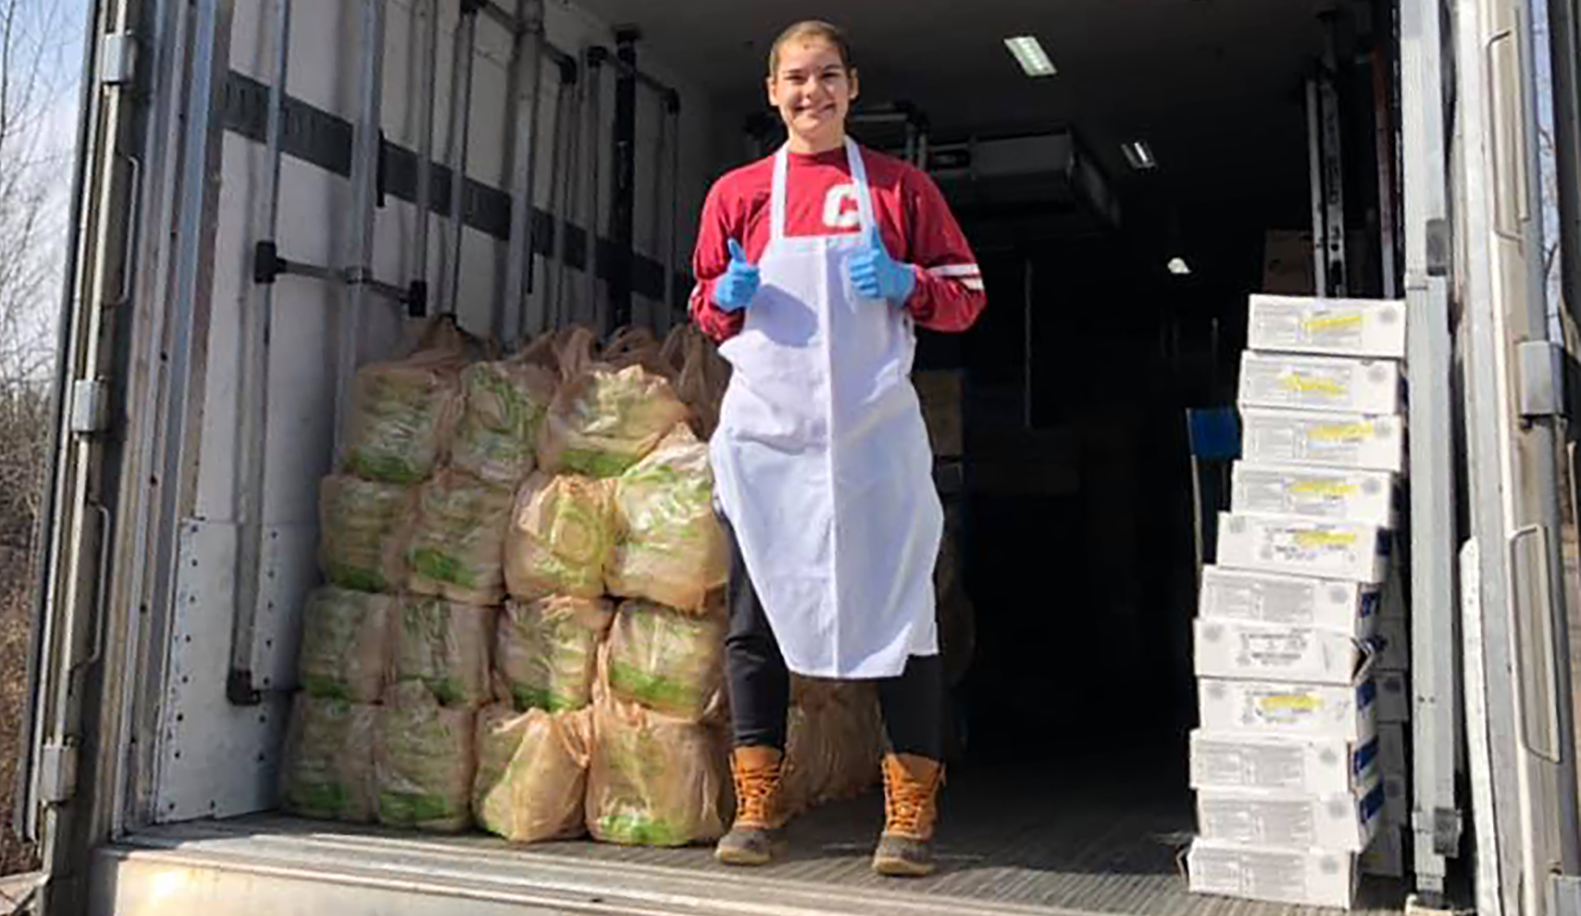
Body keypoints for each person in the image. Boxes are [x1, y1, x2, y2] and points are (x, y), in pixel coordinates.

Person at [689, 20, 987, 877]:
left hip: (871, 443)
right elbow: (704, 306)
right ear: (772, 92)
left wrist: (908, 283)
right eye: (795, 78)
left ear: (852, 87)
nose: (810, 92)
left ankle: (910, 816)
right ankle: (757, 804)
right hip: (770, 443)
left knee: (904, 617)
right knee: (755, 621)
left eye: (826, 76)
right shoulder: (738, 194)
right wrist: (725, 295)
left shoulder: (900, 190)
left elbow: (966, 296)